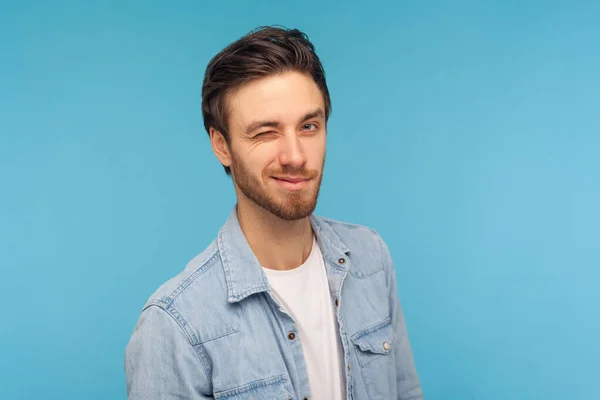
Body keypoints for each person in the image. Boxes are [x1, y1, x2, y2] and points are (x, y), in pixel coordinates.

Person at [125, 26, 423, 400]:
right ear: (222, 145)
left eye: (309, 126)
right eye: (266, 132)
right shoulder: (175, 324)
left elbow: (406, 391)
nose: (296, 156)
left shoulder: (371, 258)